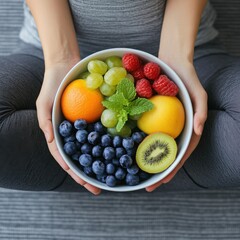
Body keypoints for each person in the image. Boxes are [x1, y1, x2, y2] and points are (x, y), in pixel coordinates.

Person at [0, 0, 239, 195]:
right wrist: (60, 60)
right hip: (48, 51)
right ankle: (176, 169)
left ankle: (92, 174)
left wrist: (177, 55)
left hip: (189, 51)